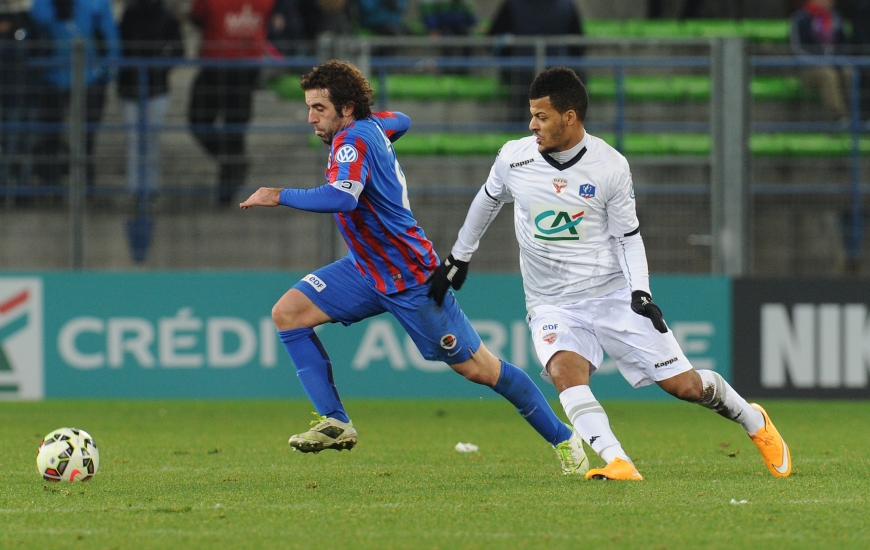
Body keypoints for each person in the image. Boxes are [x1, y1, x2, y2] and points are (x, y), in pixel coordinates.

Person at [428, 66, 792, 480]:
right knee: (566, 372)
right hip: (551, 302)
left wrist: (641, 293)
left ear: (570, 117)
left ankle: (754, 420)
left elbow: (628, 237)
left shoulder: (609, 166)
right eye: (531, 115)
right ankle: (618, 460)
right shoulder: (515, 157)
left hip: (612, 295)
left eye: (542, 116)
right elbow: (487, 201)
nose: (532, 125)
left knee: (685, 386)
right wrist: (459, 256)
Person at [239, 60, 588, 475]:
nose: (310, 117)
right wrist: (378, 123)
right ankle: (335, 422)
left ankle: (566, 439)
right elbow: (401, 119)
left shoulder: (352, 142)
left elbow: (342, 196)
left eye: (319, 107)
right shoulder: (371, 127)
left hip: (408, 277)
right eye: (310, 107)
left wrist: (277, 195)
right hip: (366, 268)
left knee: (482, 370)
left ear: (347, 108)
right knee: (288, 313)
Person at [187, 0, 275, 206]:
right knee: (235, 128)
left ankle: (230, 170)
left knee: (201, 121)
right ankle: (229, 180)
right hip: (247, 62)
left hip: (217, 62)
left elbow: (197, 16)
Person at [30, 0, 121, 189]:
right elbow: (110, 36)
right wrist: (110, 71)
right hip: (83, 76)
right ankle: (81, 183)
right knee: (83, 135)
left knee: (54, 134)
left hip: (59, 75)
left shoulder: (44, 4)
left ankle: (54, 183)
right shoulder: (95, 4)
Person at [118, 0, 184, 196]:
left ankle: (145, 189)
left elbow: (178, 50)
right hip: (139, 85)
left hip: (149, 86)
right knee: (139, 139)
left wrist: (160, 69)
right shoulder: (133, 15)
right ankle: (139, 189)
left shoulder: (164, 17)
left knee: (145, 139)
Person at [488, 0, 584, 123]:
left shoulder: (513, 4)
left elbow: (492, 38)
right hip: (557, 72)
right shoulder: (566, 5)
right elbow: (579, 45)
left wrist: (508, 54)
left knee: (518, 116)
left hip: (521, 71)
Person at [0, 0, 42, 202]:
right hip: (10, 98)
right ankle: (7, 190)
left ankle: (22, 193)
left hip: (28, 95)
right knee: (9, 146)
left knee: (26, 146)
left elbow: (36, 48)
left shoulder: (29, 23)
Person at [791, 0, 851, 121]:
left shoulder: (836, 17)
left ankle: (854, 113)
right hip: (808, 69)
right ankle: (839, 117)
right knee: (827, 74)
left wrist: (840, 60)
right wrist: (819, 61)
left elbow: (844, 45)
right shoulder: (800, 19)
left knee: (849, 72)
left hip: (835, 65)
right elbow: (797, 49)